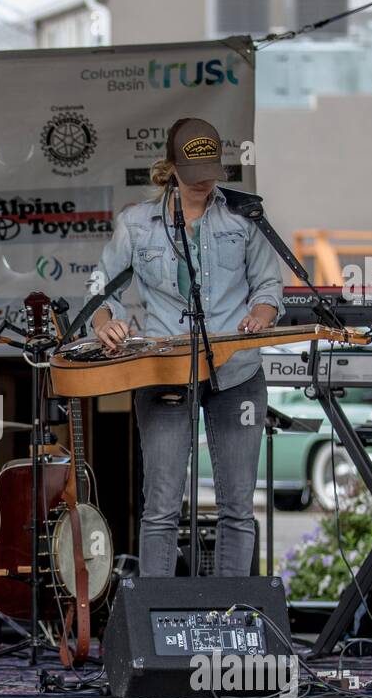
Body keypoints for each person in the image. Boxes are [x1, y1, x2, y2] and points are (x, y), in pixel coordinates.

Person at [88, 117, 284, 577]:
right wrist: (105, 322)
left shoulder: (245, 214)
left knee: (238, 505)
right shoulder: (136, 224)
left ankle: (231, 613)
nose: (204, 184)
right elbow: (100, 292)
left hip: (237, 370)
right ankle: (155, 613)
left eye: (211, 173)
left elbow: (269, 285)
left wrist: (262, 315)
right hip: (164, 371)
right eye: (194, 175)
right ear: (171, 168)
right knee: (161, 506)